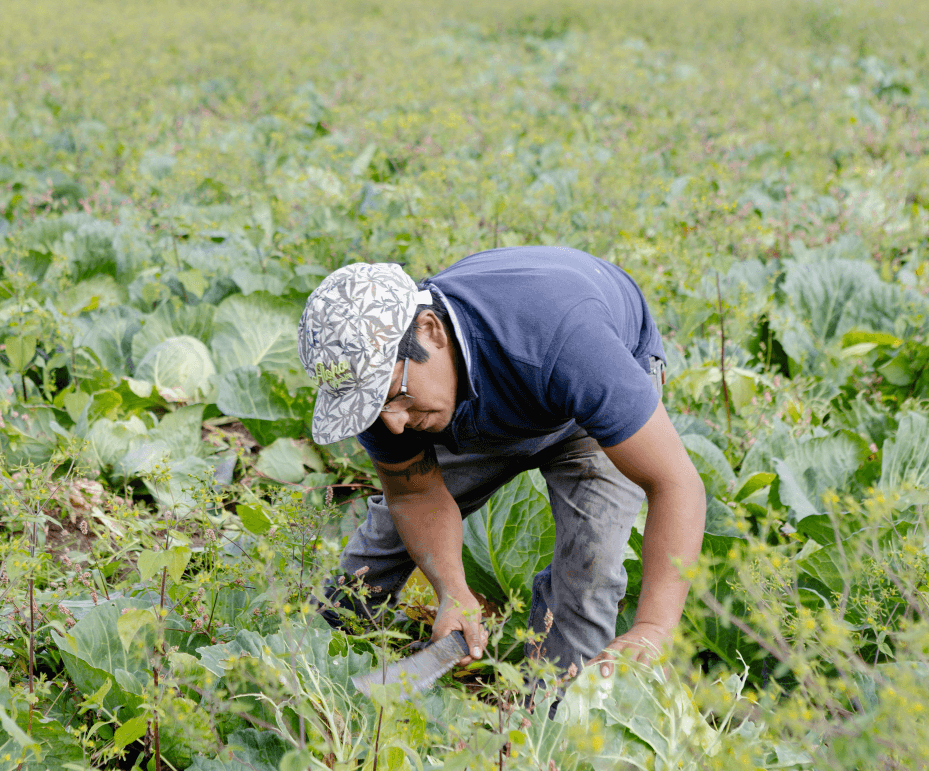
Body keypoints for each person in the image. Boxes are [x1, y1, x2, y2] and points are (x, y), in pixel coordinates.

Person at [297, 248, 706, 677]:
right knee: (376, 554)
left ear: (430, 330)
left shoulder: (569, 341)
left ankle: (551, 707)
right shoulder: (378, 390)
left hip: (583, 401)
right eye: (372, 409)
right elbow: (415, 496)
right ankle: (316, 669)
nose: (393, 425)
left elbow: (676, 483)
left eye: (393, 397)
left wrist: (654, 627)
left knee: (588, 573)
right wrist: (452, 590)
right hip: (494, 388)